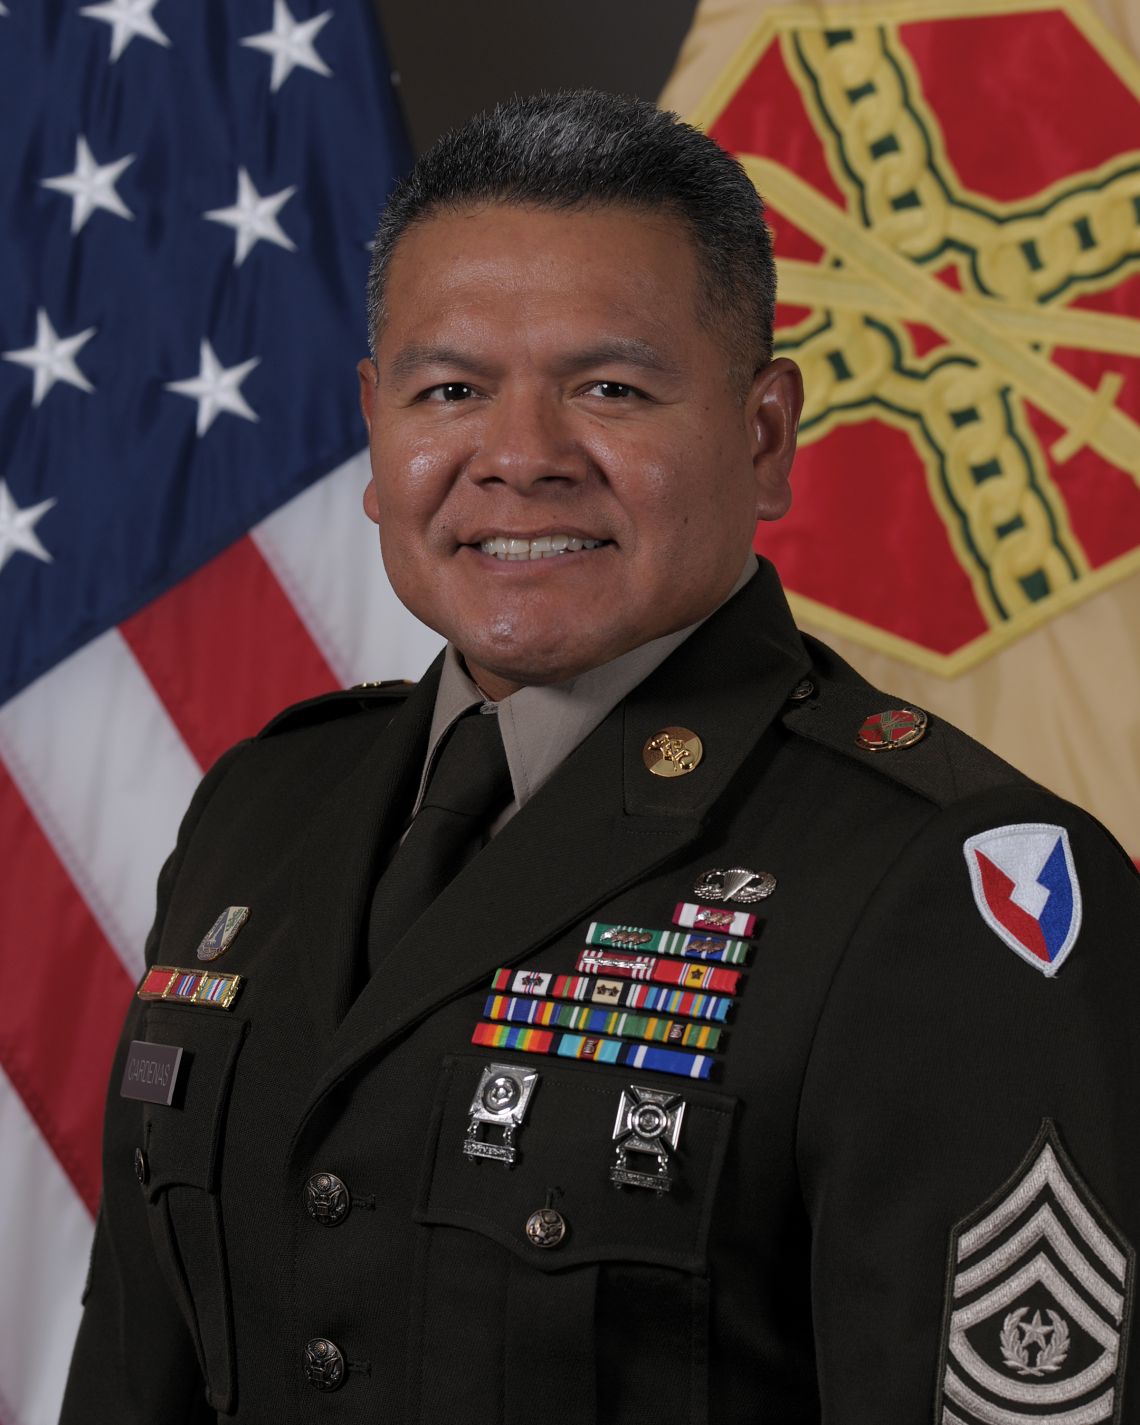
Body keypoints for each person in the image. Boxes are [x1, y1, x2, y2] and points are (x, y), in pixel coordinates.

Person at [61, 91, 1139, 1425]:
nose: (518, 459)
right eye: (451, 389)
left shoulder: (945, 889)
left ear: (763, 435)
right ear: (374, 424)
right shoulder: (262, 812)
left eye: (610, 389)